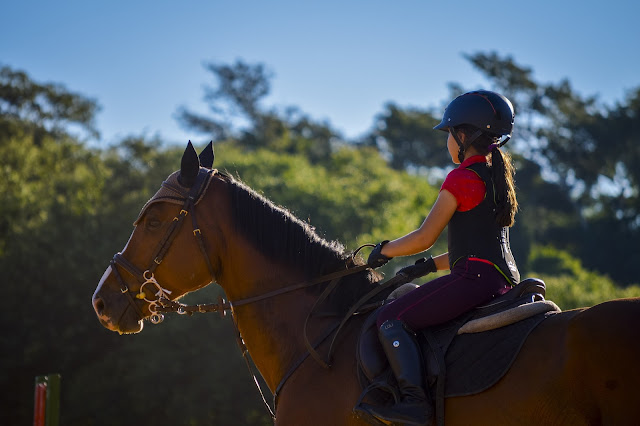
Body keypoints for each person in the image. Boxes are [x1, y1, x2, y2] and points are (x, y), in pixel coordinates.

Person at [355, 90, 521, 426]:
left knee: (390, 319)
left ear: (463, 135)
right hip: (504, 280)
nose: (447, 142)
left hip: (474, 282)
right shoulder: (497, 177)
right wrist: (430, 266)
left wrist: (382, 251)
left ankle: (415, 404)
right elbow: (477, 248)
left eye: (449, 134)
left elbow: (423, 237)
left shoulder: (461, 178)